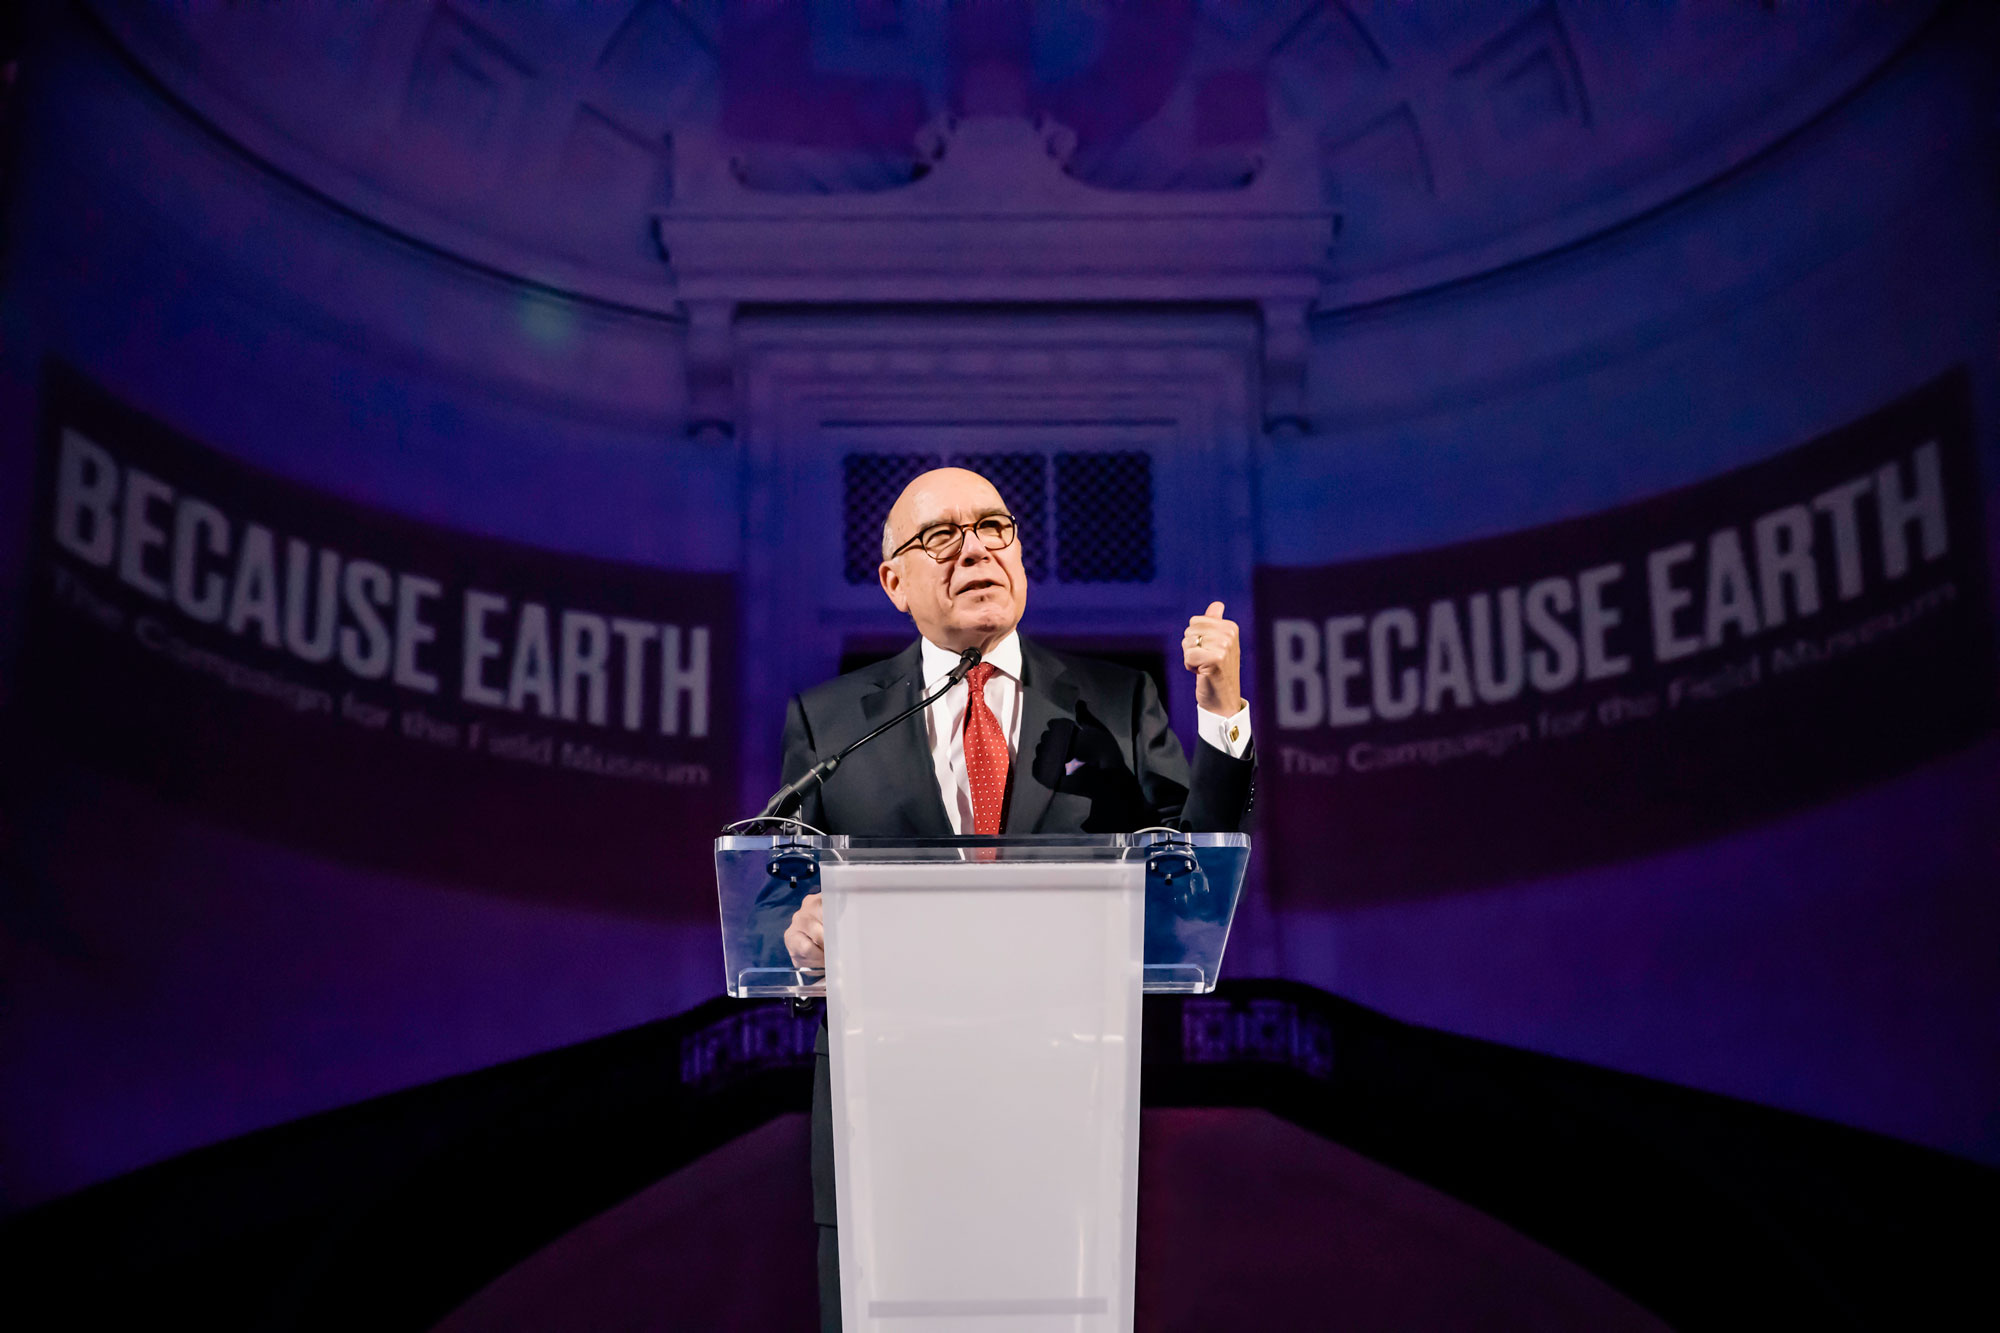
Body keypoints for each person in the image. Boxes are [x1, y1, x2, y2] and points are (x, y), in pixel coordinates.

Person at [776, 467, 1255, 1331]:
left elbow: (1197, 879)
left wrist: (1221, 714)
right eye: (941, 537)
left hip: (1061, 1099)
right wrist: (797, 933)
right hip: (887, 1116)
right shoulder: (833, 722)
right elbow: (781, 891)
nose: (975, 550)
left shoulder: (1114, 702)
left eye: (994, 526)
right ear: (895, 582)